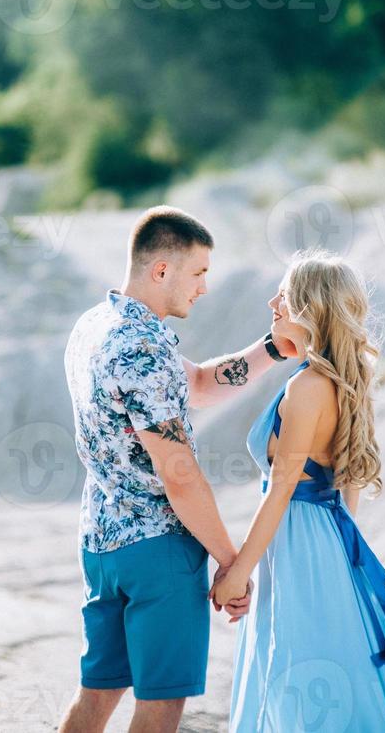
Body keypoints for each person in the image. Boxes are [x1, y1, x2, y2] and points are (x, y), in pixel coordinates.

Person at [58, 205, 296, 733]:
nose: (205, 287)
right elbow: (179, 474)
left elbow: (201, 384)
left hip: (101, 542)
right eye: (199, 273)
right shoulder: (141, 347)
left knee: (96, 695)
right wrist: (231, 562)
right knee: (160, 705)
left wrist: (274, 348)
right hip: (158, 551)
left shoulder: (98, 325)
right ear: (161, 270)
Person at [211, 250, 385, 732]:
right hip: (322, 536)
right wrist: (336, 551)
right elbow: (346, 483)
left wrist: (239, 571)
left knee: (300, 667)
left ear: (307, 306)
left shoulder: (307, 387)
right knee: (328, 659)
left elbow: (280, 492)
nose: (271, 302)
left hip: (299, 540)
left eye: (281, 294)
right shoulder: (338, 381)